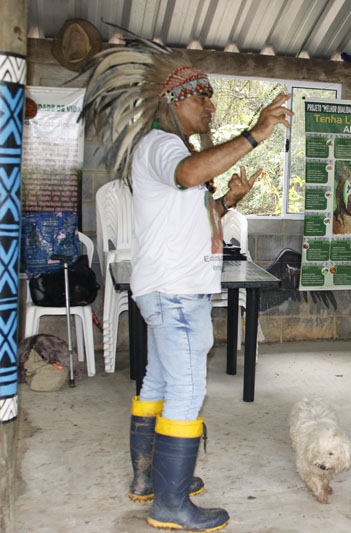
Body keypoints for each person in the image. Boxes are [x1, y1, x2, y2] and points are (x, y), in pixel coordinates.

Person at [82, 40, 292, 531]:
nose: (210, 106)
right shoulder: (162, 145)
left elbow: (192, 213)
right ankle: (172, 505)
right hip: (175, 292)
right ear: (176, 98)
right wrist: (257, 131)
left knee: (159, 380)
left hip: (174, 288)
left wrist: (227, 201)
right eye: (203, 97)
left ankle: (149, 480)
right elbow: (189, 172)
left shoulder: (169, 152)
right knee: (188, 388)